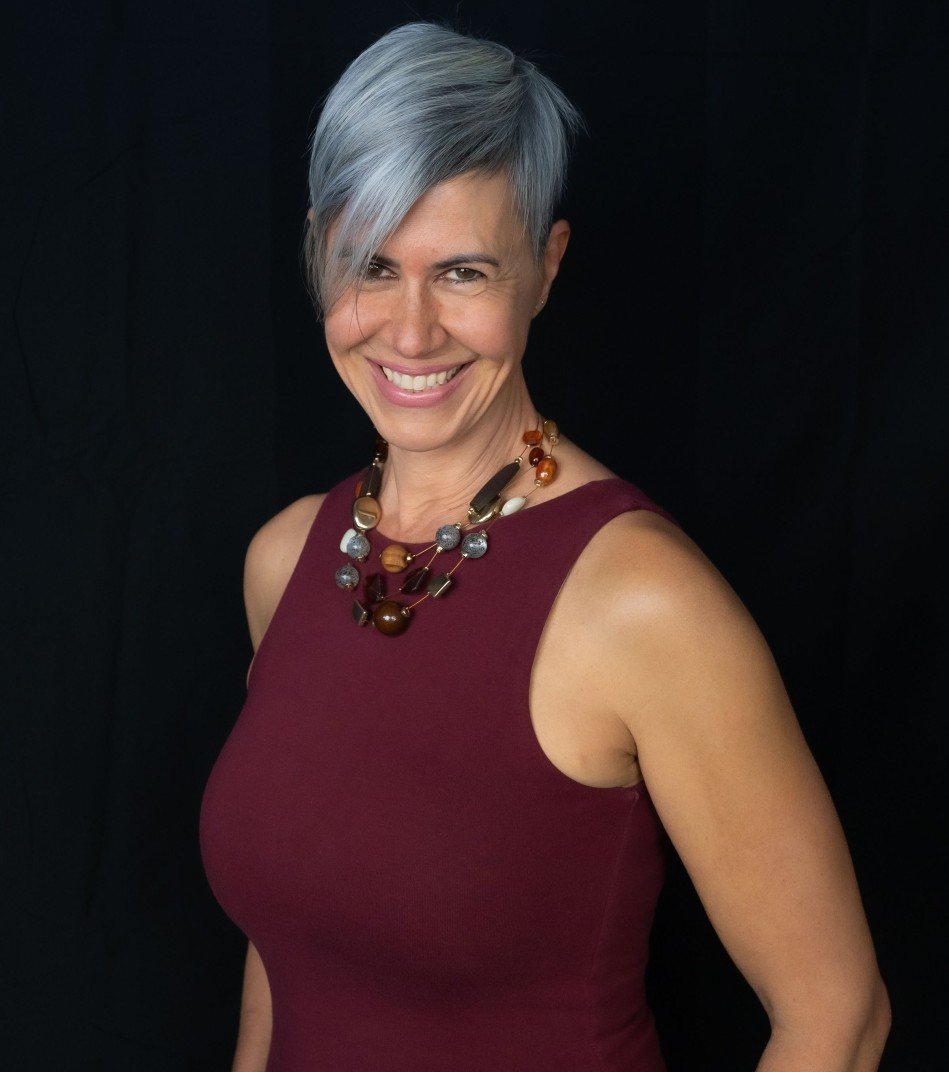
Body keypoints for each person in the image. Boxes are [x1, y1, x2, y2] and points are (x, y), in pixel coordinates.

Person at [200, 22, 890, 1072]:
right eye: (371, 264)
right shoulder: (286, 558)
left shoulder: (638, 600)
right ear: (317, 253)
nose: (411, 328)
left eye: (464, 271)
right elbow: (286, 946)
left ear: (545, 266)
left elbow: (835, 1019)